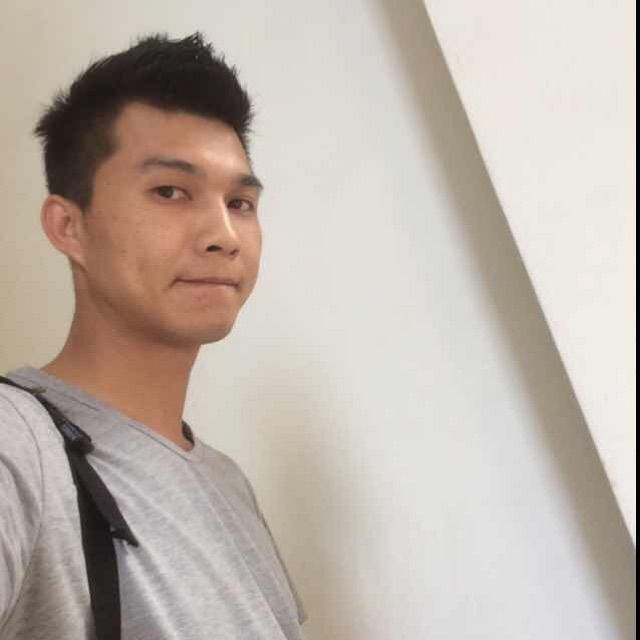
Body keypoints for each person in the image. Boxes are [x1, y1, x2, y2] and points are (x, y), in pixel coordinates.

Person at [0, 32, 306, 640]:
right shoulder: (19, 446)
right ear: (69, 227)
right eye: (171, 191)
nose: (223, 236)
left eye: (240, 202)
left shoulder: (228, 482)